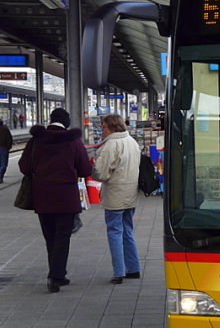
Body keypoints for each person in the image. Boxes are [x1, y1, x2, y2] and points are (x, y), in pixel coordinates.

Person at [18, 108, 92, 293]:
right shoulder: (73, 141)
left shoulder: (36, 140)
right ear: (66, 122)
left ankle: (57, 273)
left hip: (42, 197)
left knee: (50, 236)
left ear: (51, 120)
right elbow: (84, 169)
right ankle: (56, 276)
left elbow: (24, 166)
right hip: (66, 197)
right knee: (62, 237)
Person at [92, 113, 142, 284]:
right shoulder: (132, 142)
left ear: (111, 127)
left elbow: (100, 172)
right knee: (127, 230)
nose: (102, 130)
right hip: (131, 193)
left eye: (104, 127)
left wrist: (94, 169)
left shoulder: (110, 145)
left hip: (115, 194)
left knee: (114, 231)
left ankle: (119, 272)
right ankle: (133, 268)